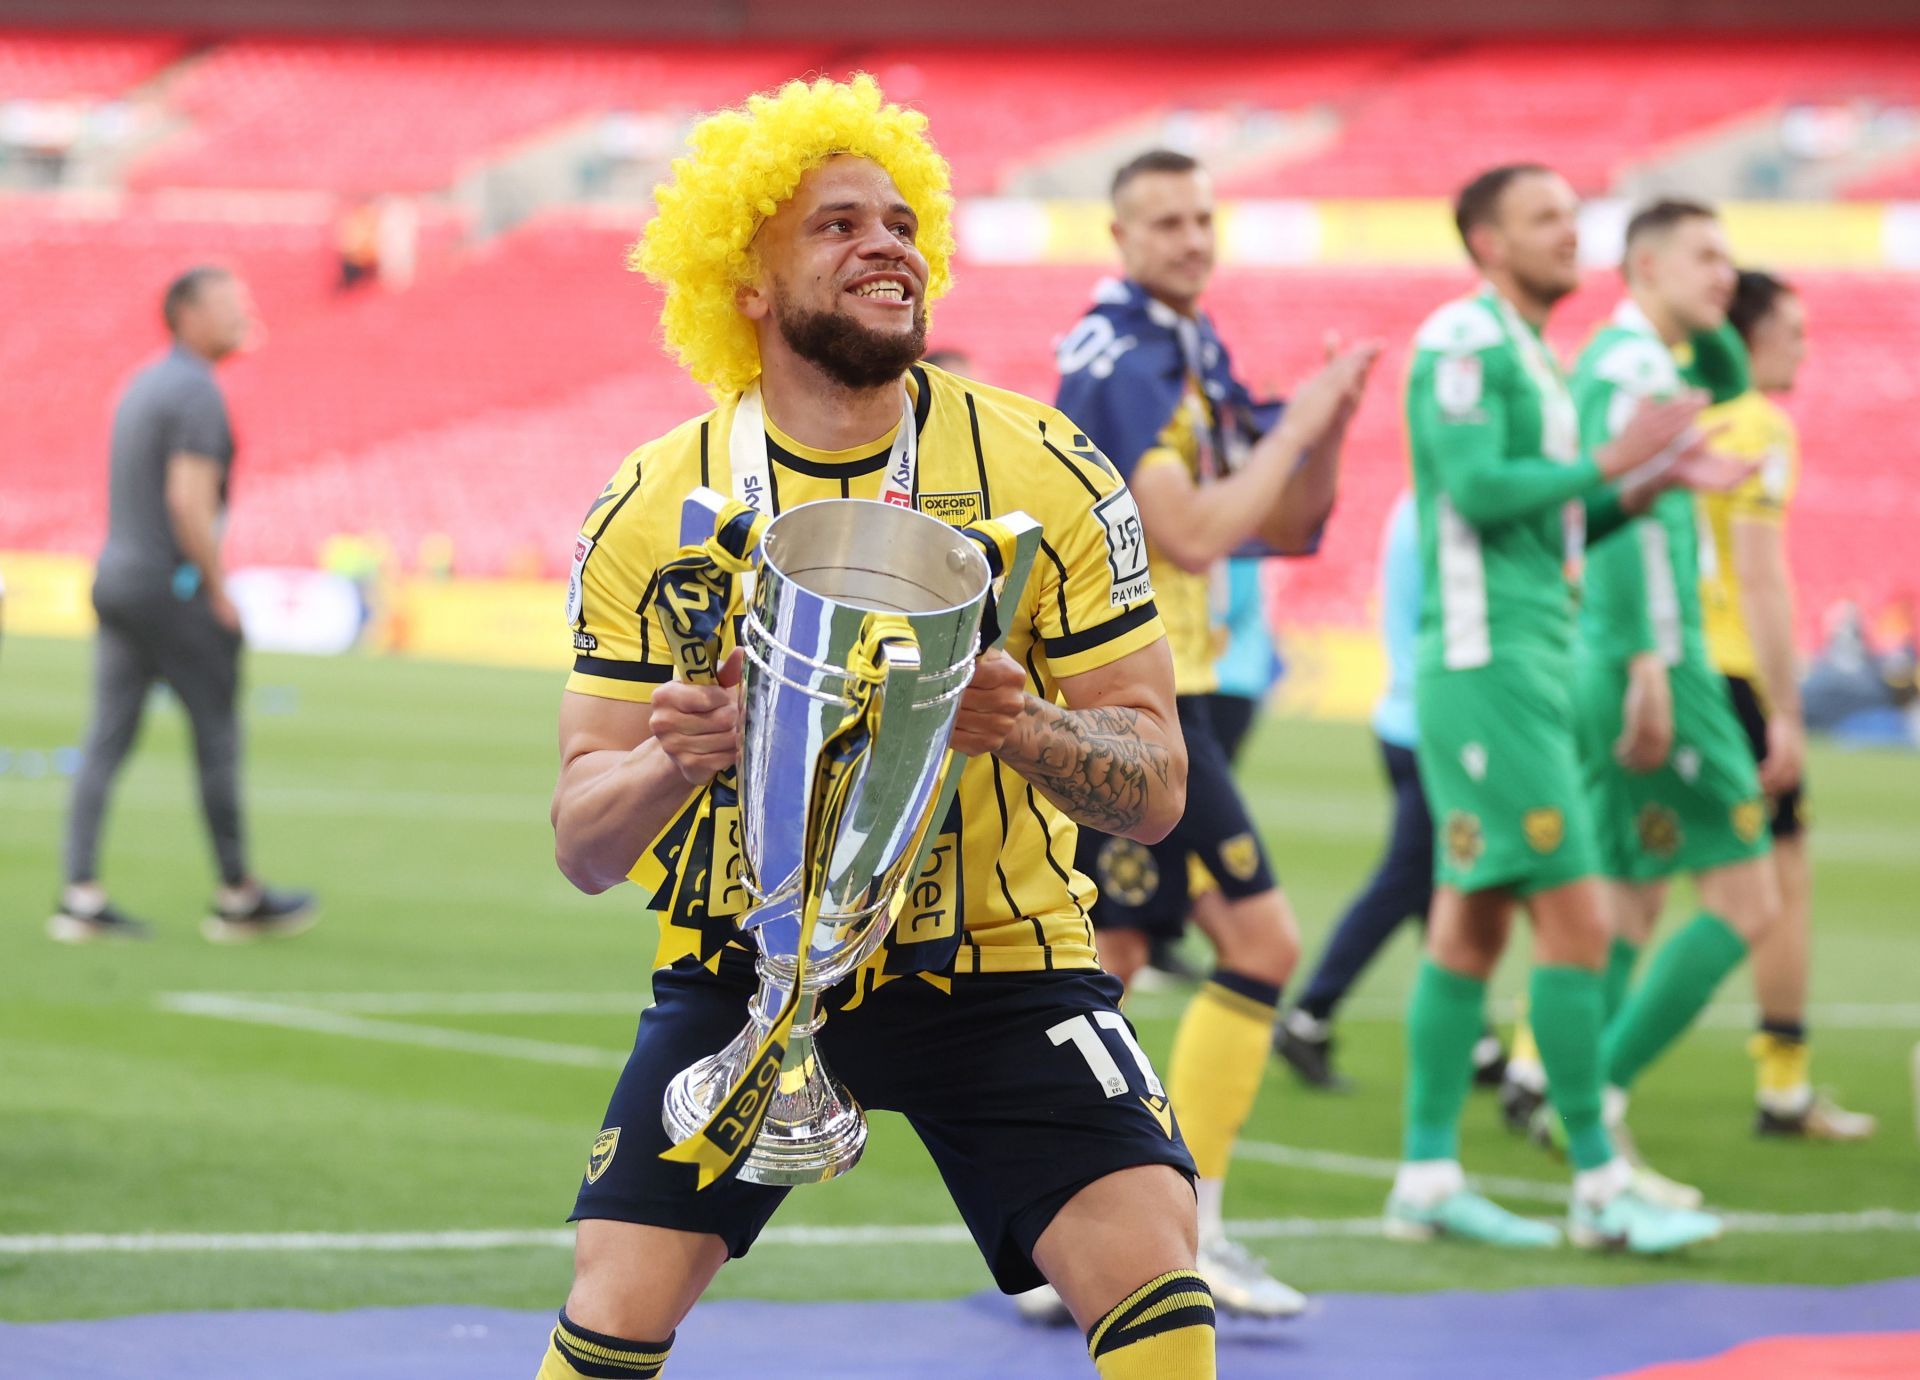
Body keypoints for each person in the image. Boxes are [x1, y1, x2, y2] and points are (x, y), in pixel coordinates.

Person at [541, 77, 1214, 1380]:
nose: (887, 245)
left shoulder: (1047, 468)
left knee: (1156, 1276)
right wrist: (667, 759)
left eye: (903, 222)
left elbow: (1159, 786)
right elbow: (577, 841)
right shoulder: (649, 504)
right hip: (746, 967)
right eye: (837, 225)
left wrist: (1023, 731)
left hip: (1002, 961)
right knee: (612, 1307)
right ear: (743, 279)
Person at [1048, 148, 1380, 1318]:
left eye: (1203, 218)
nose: (1193, 239)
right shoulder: (1129, 359)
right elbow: (1192, 532)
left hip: (1150, 687)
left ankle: (1079, 1235)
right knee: (1262, 945)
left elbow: (1286, 523)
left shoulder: (1189, 351)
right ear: (1120, 234)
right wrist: (1298, 435)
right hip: (1131, 696)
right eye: (1166, 222)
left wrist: (1324, 426)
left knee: (1115, 962)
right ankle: (1186, 1228)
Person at [1385, 165, 1735, 1255]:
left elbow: (1554, 520)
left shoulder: (1533, 351)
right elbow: (1479, 492)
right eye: (1544, 219)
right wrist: (1610, 457)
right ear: (1487, 241)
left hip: (1530, 658)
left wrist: (1645, 489)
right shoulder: (1463, 341)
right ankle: (1596, 1186)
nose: (1568, 233)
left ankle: (1428, 1177)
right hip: (1487, 666)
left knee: (1474, 923)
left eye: (1571, 216)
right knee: (1579, 917)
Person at [1531, 199, 1781, 1210]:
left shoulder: (1638, 361)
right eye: (1705, 256)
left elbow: (1727, 376)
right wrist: (1644, 666)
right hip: (1656, 658)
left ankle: (1592, 1120)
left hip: (1629, 651)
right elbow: (1620, 526)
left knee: (1630, 904)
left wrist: (1699, 309)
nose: (1727, 275)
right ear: (1641, 264)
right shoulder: (1630, 371)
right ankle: (1591, 1105)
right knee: (1749, 899)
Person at [51, 266, 315, 945]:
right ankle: (237, 896)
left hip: (116, 577)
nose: (243, 313)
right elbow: (187, 500)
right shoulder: (196, 391)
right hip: (169, 586)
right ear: (187, 314)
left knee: (106, 738)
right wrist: (219, 590)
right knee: (217, 736)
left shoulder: (143, 382)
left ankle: (79, 896)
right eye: (230, 304)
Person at [1701, 270, 1875, 1140]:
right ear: (1748, 335)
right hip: (1732, 678)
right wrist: (1788, 711)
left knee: (1627, 889)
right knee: (1778, 881)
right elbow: (1762, 578)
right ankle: (1784, 1083)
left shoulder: (1676, 419)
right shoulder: (1759, 427)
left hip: (1661, 666)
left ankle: (1543, 1064)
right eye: (1792, 330)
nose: (1804, 346)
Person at [1275, 493, 1506, 1092]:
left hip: (1409, 716)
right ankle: (1310, 1014)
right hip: (1436, 724)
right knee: (1412, 879)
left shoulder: (1415, 506)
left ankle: (1475, 1039)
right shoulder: (1448, 513)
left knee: (1433, 884)